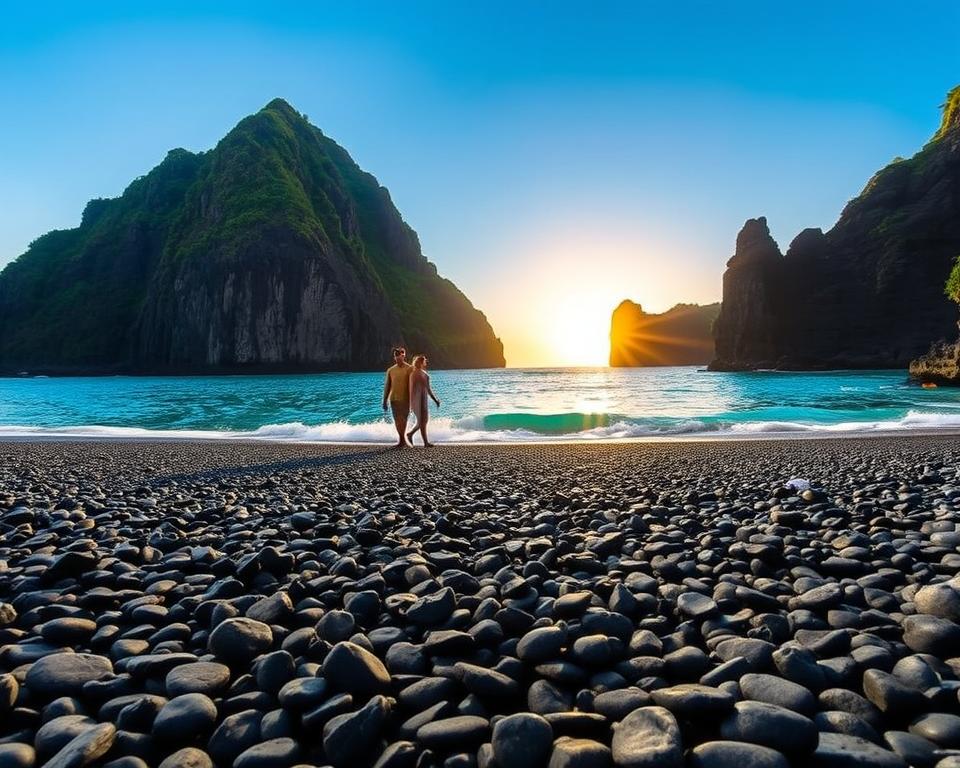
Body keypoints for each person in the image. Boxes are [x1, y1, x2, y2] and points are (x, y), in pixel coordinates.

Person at [406, 355, 441, 446]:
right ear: (422, 363)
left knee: (424, 421)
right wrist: (410, 404)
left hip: (421, 400)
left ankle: (414, 436)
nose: (426, 362)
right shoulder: (415, 374)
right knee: (421, 421)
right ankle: (420, 440)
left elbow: (428, 390)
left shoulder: (424, 375)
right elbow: (412, 389)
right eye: (424, 361)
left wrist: (435, 400)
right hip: (416, 400)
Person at [382, 347, 412, 447]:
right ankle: (401, 440)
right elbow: (387, 386)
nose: (398, 358)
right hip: (394, 399)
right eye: (396, 356)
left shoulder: (410, 368)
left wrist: (414, 400)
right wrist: (384, 400)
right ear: (394, 357)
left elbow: (413, 386)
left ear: (404, 356)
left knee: (404, 419)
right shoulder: (390, 370)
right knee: (397, 420)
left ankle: (403, 439)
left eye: (401, 356)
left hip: (406, 399)